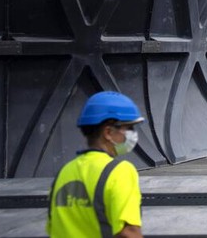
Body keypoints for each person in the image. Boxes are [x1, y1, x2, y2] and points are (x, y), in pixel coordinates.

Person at [47, 91, 145, 238]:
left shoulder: (64, 172)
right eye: (129, 128)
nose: (133, 134)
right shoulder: (120, 172)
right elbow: (128, 233)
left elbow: (53, 226)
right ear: (108, 132)